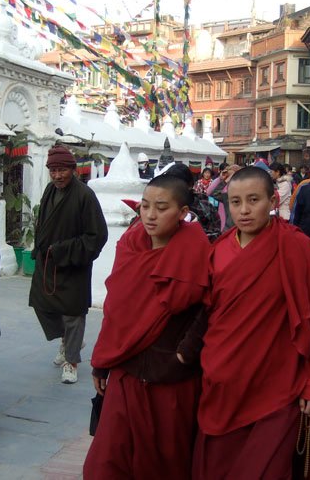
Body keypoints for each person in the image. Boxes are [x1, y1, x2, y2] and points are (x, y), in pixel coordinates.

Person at [193, 167, 310, 480]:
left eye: (253, 200)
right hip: (222, 381)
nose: (243, 210)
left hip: (276, 385)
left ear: (272, 200)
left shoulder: (296, 248)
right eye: (235, 202)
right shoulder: (218, 250)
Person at [84, 174, 211, 479]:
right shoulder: (131, 244)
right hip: (126, 369)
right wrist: (102, 362)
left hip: (169, 376)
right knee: (108, 460)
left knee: (164, 461)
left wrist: (184, 355)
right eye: (145, 206)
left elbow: (208, 309)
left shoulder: (195, 248)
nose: (150, 215)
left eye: (162, 208)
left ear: (182, 213)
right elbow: (116, 309)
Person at [29, 145, 108, 384]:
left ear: (73, 170)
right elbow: (44, 223)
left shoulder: (84, 195)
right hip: (48, 261)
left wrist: (65, 250)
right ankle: (68, 338)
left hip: (73, 263)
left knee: (73, 314)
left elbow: (97, 235)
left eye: (62, 170)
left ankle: (71, 361)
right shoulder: (49, 191)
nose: (57, 175)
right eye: (53, 170)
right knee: (41, 303)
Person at [206, 163, 240, 231]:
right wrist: (221, 179)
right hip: (224, 223)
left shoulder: (239, 189)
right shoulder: (223, 184)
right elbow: (210, 193)